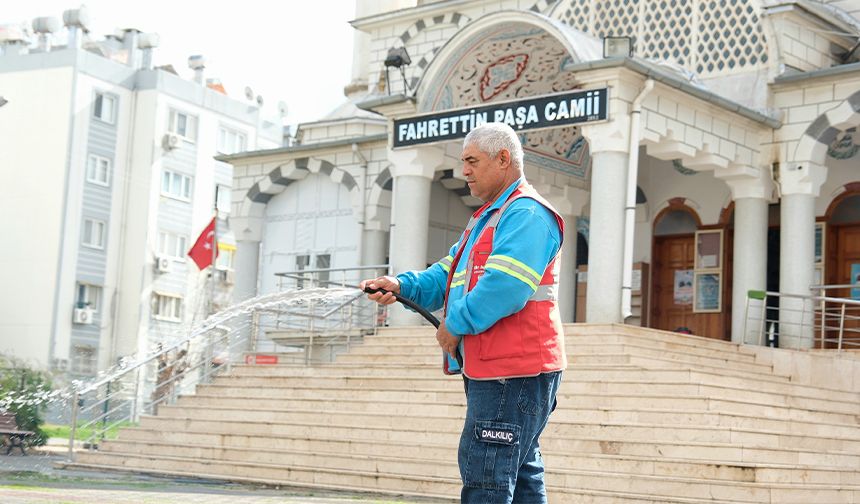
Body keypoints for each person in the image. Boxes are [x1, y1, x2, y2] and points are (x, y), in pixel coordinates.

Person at [362, 122, 566, 503]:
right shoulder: (490, 216)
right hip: (505, 368)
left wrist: (454, 324)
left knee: (486, 475)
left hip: (513, 371)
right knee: (518, 474)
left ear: (503, 159)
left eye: (472, 161)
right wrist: (403, 286)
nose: (464, 171)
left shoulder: (527, 214)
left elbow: (506, 287)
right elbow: (449, 271)